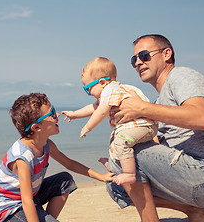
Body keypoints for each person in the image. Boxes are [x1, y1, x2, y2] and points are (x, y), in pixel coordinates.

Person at [105, 34, 204, 221]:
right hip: (190, 177)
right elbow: (157, 146)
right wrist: (115, 160)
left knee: (128, 149)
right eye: (133, 59)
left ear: (166, 54)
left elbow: (201, 118)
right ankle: (195, 210)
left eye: (144, 55)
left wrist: (143, 108)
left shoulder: (182, 76)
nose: (138, 63)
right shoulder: (159, 103)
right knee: (117, 186)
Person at [0, 93, 114, 222]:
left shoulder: (47, 144)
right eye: (52, 113)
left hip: (32, 196)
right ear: (36, 127)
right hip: (9, 208)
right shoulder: (23, 158)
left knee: (64, 180)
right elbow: (26, 201)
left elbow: (70, 164)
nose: (58, 115)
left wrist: (101, 177)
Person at [62, 57, 158, 185]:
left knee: (121, 141)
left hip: (143, 126)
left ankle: (129, 174)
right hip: (134, 127)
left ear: (102, 82)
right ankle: (114, 166)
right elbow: (93, 107)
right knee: (115, 140)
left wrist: (87, 127)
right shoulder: (109, 93)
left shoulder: (111, 90)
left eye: (88, 89)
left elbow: (100, 112)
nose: (89, 93)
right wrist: (74, 114)